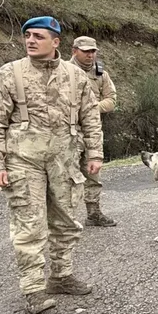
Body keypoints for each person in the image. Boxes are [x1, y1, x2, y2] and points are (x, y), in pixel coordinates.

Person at [0, 16, 104, 314]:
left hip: (65, 159)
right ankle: (34, 289)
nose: (31, 40)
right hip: (24, 161)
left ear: (56, 42)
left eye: (38, 36)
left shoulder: (75, 76)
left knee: (66, 222)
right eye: (28, 36)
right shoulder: (9, 74)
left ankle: (61, 276)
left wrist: (95, 154)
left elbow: (90, 117)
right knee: (29, 226)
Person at [70, 36, 117, 227]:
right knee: (68, 176)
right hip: (69, 131)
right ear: (74, 51)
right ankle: (65, 218)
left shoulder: (100, 74)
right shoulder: (63, 71)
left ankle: (94, 213)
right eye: (85, 51)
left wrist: (91, 108)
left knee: (93, 173)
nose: (90, 55)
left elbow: (112, 99)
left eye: (93, 51)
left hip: (92, 130)